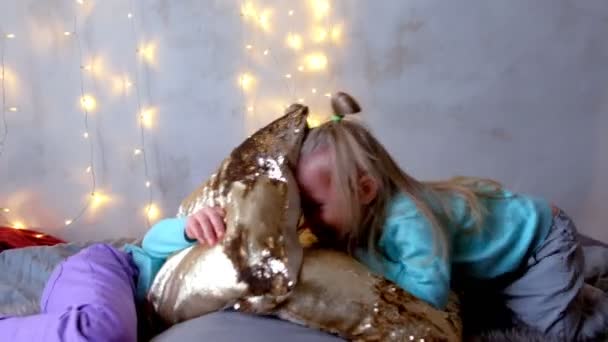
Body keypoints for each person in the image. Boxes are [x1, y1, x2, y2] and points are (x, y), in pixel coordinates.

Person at [292, 92, 608, 341]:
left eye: (316, 207)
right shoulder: (367, 218)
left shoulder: (408, 221)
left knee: (559, 334)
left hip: (541, 244)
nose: (309, 220)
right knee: (503, 307)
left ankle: (589, 292)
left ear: (364, 191)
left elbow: (430, 295)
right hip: (511, 255)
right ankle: (575, 275)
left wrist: (363, 259)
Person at [0, 207, 225, 342]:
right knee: (100, 332)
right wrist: (188, 228)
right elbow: (152, 242)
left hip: (79, 309)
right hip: (112, 268)